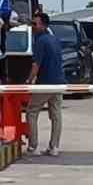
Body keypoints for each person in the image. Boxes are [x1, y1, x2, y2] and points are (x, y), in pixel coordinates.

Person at [25, 12, 64, 156]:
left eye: (35, 24)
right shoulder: (54, 39)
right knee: (56, 114)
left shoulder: (40, 41)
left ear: (43, 25)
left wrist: (29, 81)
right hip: (59, 82)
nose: (33, 27)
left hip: (46, 82)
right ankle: (54, 147)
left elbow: (36, 64)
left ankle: (32, 146)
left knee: (31, 111)